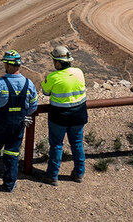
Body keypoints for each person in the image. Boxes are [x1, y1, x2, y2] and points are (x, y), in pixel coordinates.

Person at [0, 50, 38, 192]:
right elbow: (33, 106)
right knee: (12, 153)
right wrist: (21, 116)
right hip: (18, 124)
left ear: (8, 65)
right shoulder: (29, 84)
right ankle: (9, 183)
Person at [41, 45, 87, 185]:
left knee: (56, 145)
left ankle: (52, 175)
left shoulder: (53, 77)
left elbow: (45, 92)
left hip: (59, 117)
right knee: (77, 143)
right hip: (79, 114)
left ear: (58, 63)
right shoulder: (79, 72)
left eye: (54, 61)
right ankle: (79, 173)